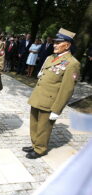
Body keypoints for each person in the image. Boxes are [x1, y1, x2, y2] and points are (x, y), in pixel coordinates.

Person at [23, 28, 80, 159]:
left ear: (68, 45)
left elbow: (67, 89)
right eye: (54, 42)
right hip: (38, 97)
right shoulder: (50, 57)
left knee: (44, 127)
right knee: (34, 123)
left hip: (50, 101)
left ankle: (40, 149)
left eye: (58, 43)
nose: (54, 45)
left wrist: (57, 109)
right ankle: (34, 144)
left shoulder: (72, 64)